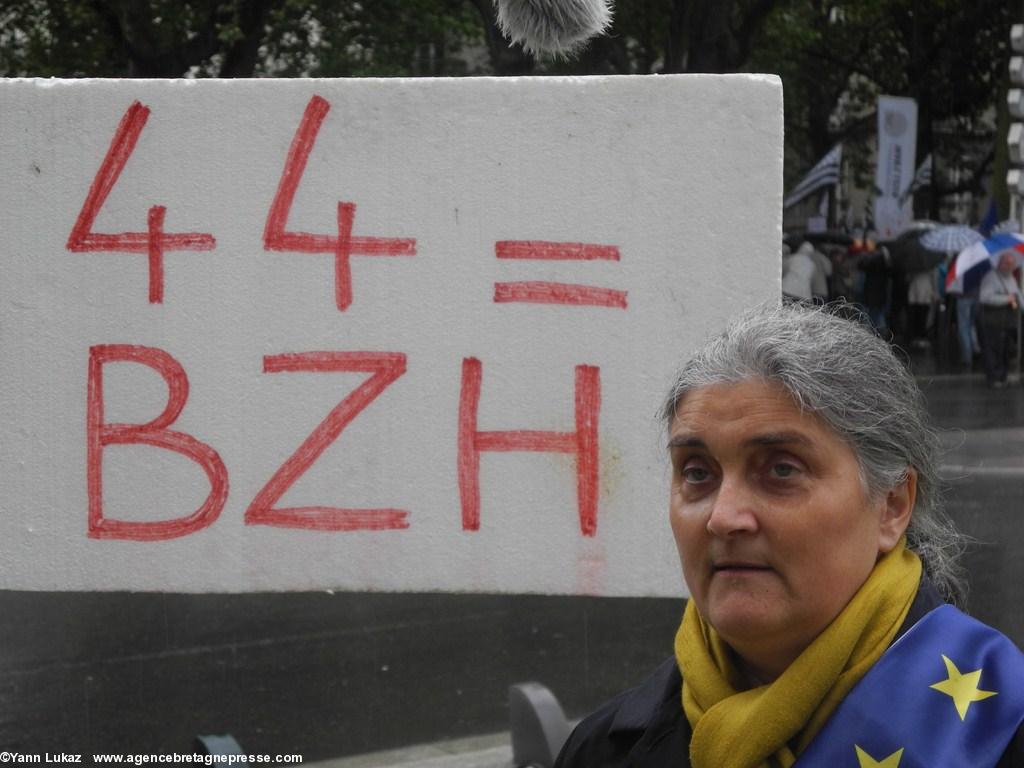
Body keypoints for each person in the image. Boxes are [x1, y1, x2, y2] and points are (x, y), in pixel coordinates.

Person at [555, 302, 1024, 768]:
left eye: (781, 469)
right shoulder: (601, 751)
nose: (723, 517)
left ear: (892, 505)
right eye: (697, 473)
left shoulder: (1002, 727)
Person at [979, 252, 1024, 388]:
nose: (1010, 267)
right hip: (992, 321)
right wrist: (1006, 299)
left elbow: (1017, 295)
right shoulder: (990, 278)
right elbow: (984, 297)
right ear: (1000, 263)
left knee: (1005, 350)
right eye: (1007, 263)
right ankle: (994, 378)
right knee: (993, 350)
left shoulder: (1011, 278)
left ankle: (1002, 377)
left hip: (1007, 321)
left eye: (1012, 264)